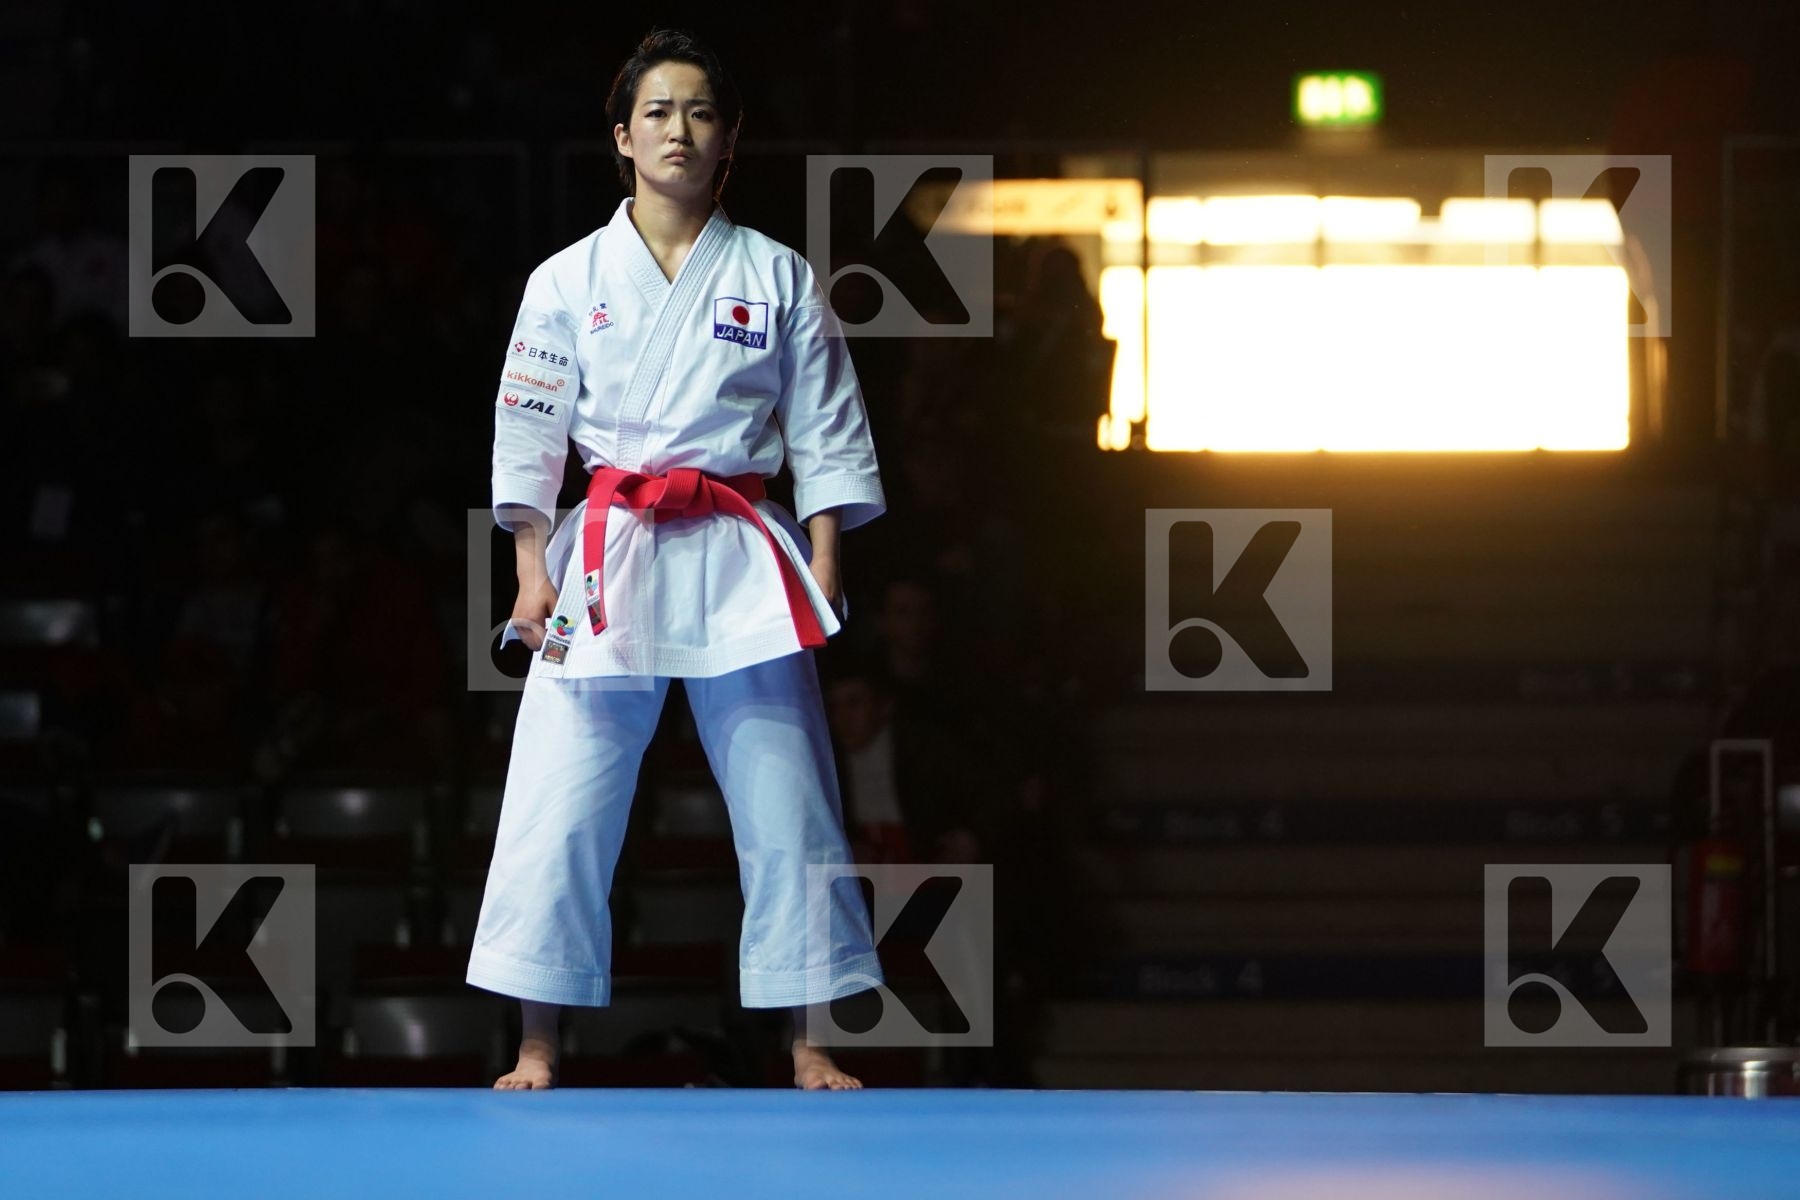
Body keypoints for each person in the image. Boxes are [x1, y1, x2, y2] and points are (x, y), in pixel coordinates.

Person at [463, 28, 888, 1092]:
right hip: (605, 551)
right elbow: (531, 430)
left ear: (729, 139)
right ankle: (537, 1043)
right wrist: (528, 562)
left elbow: (826, 427)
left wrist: (825, 556)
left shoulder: (776, 273)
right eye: (657, 111)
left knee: (789, 802)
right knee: (559, 801)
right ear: (622, 137)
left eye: (700, 112)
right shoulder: (566, 280)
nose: (679, 130)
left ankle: (811, 1042)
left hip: (744, 550)